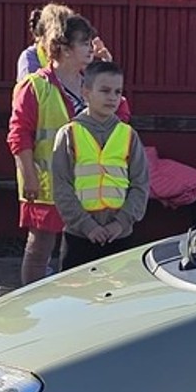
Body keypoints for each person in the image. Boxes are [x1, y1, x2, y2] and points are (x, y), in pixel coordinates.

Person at [8, 12, 128, 284]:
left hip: (88, 184)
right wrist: (28, 175)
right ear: (64, 48)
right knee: (40, 247)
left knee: (82, 249)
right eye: (84, 42)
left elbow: (121, 120)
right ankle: (32, 301)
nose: (91, 48)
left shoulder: (91, 83)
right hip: (47, 184)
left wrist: (106, 72)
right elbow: (19, 134)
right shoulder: (35, 86)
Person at [50, 59, 149, 269]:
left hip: (120, 235)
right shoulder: (69, 134)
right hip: (79, 235)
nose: (112, 97)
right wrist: (87, 226)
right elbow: (61, 187)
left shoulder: (128, 135)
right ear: (86, 93)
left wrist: (121, 223)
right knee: (75, 290)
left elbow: (140, 185)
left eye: (117, 92)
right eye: (105, 91)